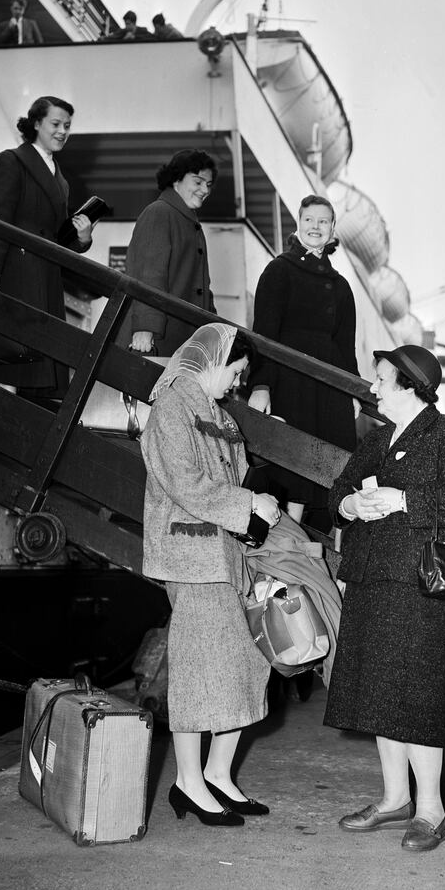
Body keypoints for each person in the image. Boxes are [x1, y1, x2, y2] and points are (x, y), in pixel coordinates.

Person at [323, 345, 445, 852]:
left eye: (381, 380)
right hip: (373, 578)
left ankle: (432, 810)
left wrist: (402, 500)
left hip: (421, 587)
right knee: (378, 692)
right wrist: (351, 504)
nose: (373, 388)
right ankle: (395, 799)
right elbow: (337, 491)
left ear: (409, 386)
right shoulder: (377, 439)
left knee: (416, 697)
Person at [140, 322, 280, 826]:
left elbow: (237, 474)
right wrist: (250, 503)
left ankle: (218, 774)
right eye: (236, 373)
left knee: (244, 663)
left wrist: (257, 498)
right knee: (200, 669)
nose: (238, 384)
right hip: (189, 556)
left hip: (224, 555)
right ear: (212, 360)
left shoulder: (217, 413)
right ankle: (187, 781)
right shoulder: (171, 407)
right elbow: (185, 483)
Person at [0, 96, 93, 401]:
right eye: (56, 123)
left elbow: (58, 236)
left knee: (32, 354)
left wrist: (83, 237)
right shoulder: (12, 160)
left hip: (45, 271)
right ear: (36, 124)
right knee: (13, 350)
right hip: (18, 268)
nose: (63, 131)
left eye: (67, 125)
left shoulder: (58, 177)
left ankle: (11, 420)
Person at [248, 194, 359, 523]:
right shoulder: (278, 270)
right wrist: (261, 384)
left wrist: (351, 391)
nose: (316, 226)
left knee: (322, 466)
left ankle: (299, 549)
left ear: (332, 229)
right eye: (309, 219)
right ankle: (281, 546)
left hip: (326, 388)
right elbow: (263, 333)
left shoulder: (340, 287)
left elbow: (346, 347)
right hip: (288, 380)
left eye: (323, 221)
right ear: (298, 224)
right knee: (289, 463)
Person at [119, 149, 218, 356]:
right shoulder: (160, 212)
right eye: (198, 181)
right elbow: (149, 274)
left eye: (208, 184)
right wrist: (145, 328)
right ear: (176, 179)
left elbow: (202, 288)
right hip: (153, 338)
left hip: (177, 339)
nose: (204, 190)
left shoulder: (188, 223)